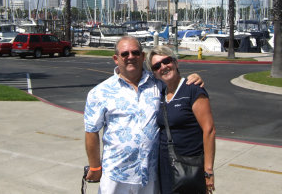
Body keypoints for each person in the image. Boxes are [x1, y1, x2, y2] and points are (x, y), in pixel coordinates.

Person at [84, 36, 204, 194]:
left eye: (135, 52)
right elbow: (91, 131)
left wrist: (193, 78)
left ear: (142, 56)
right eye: (125, 54)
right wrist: (94, 166)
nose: (131, 57)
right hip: (115, 176)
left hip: (150, 175)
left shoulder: (158, 84)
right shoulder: (99, 93)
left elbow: (177, 84)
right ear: (116, 58)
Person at [146, 45, 216, 194]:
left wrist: (208, 170)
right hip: (165, 167)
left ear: (176, 63)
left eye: (167, 61)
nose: (163, 67)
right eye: (157, 66)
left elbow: (209, 130)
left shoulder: (193, 89)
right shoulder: (161, 93)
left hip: (189, 166)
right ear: (154, 73)